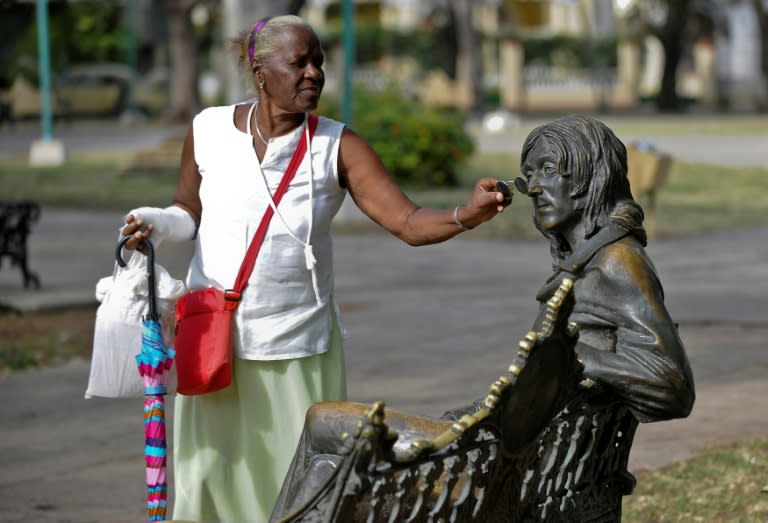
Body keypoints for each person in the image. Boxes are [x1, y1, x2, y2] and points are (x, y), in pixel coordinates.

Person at [120, 14, 509, 523]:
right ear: (261, 73)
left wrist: (465, 214)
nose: (313, 74)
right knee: (210, 480)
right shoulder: (209, 130)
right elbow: (187, 212)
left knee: (297, 486)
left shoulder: (337, 146)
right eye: (298, 63)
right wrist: (153, 222)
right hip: (212, 342)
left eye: (318, 62)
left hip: (296, 346)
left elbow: (408, 221)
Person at [269, 115, 696, 521]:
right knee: (327, 461)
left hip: (502, 467)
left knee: (324, 424)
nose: (534, 188)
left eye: (549, 170)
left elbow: (673, 385)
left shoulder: (616, 262)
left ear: (589, 177)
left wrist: (570, 359)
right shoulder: (591, 261)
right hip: (513, 454)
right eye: (532, 175)